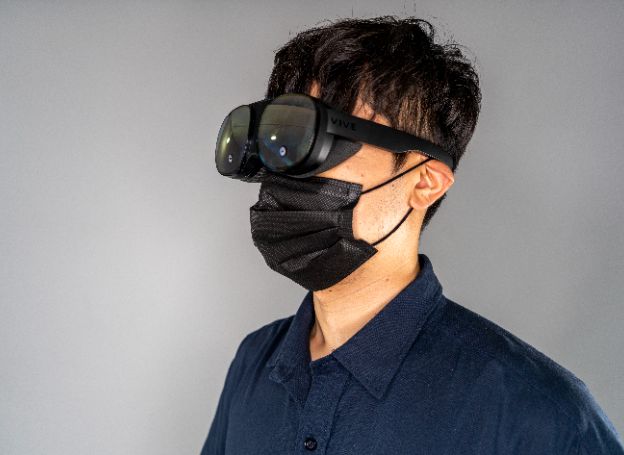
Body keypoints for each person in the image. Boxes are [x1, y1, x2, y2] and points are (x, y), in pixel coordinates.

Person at [201, 16, 623, 454]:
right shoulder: (254, 364)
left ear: (425, 181)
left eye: (313, 138)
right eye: (280, 142)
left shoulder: (537, 415)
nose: (285, 173)